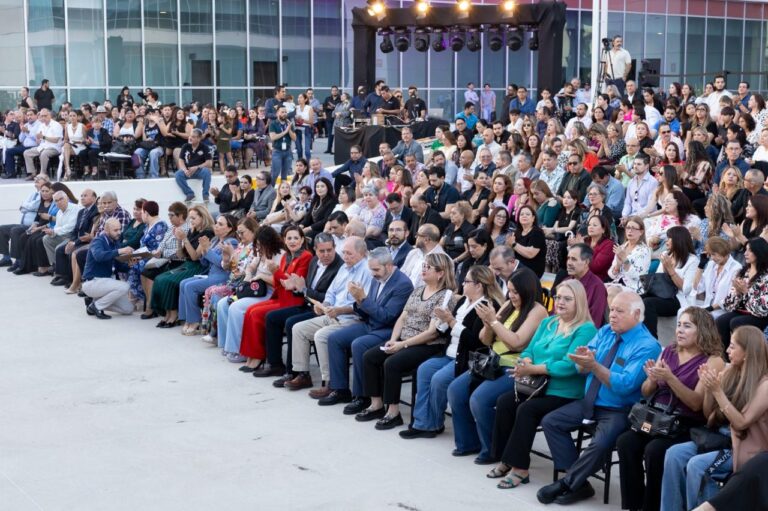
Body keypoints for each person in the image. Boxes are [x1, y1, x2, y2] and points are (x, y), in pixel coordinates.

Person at [537, 291, 662, 506]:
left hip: (619, 409)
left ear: (637, 314)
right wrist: (583, 362)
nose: (612, 315)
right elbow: (581, 368)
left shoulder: (647, 345)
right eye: (611, 309)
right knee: (551, 421)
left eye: (619, 311)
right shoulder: (605, 331)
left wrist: (593, 365)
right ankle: (579, 482)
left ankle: (568, 483)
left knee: (601, 442)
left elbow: (624, 385)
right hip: (590, 401)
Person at [488, 280, 597, 488]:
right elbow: (529, 349)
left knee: (527, 410)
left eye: (567, 299)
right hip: (535, 386)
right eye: (558, 298)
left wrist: (534, 369)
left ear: (579, 301)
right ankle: (506, 458)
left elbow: (569, 365)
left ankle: (519, 468)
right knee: (504, 402)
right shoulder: (549, 322)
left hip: (563, 392)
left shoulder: (586, 329)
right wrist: (526, 361)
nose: (560, 302)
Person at [616, 306, 725, 511]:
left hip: (684, 423)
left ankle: (653, 506)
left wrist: (670, 379)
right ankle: (633, 505)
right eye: (679, 325)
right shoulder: (668, 351)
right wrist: (652, 380)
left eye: (687, 326)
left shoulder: (713, 361)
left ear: (702, 330)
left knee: (655, 450)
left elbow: (697, 404)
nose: (679, 330)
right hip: (655, 418)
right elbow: (646, 392)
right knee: (626, 442)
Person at [661, 325, 768, 510]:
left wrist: (718, 392)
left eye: (733, 346)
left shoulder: (764, 385)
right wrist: (710, 390)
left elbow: (742, 423)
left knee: (698, 466)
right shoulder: (730, 372)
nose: (727, 350)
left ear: (748, 353)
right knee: (674, 454)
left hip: (744, 448)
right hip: (720, 438)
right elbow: (708, 415)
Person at [447, 267, 549, 463]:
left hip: (514, 368)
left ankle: (495, 449)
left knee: (479, 399)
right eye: (509, 290)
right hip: (491, 363)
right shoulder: (508, 304)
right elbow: (485, 340)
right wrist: (487, 323)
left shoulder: (538, 310)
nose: (511, 295)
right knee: (455, 390)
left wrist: (493, 322)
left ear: (528, 290)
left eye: (516, 291)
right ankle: (469, 442)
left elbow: (517, 342)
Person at [400, 266, 504, 439]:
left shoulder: (486, 307)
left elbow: (476, 342)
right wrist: (442, 320)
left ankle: (432, 422)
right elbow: (448, 328)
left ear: (478, 285)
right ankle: (423, 422)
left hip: (467, 358)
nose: (463, 284)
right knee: (424, 369)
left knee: (439, 379)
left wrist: (451, 321)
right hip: (449, 352)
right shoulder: (464, 301)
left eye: (467, 281)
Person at [356, 252, 458, 430]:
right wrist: (393, 340)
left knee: (392, 363)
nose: (423, 269)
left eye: (428, 267)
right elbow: (403, 317)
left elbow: (432, 333)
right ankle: (376, 404)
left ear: (440, 273)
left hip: (427, 345)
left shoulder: (445, 296)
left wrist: (401, 345)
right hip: (403, 339)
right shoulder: (418, 290)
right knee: (370, 356)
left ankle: (393, 412)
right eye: (423, 266)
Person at [319, 248, 414, 407]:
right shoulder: (378, 278)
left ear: (389, 266)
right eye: (371, 269)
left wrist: (362, 298)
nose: (373, 273)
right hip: (371, 324)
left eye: (376, 269)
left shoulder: (403, 284)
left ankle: (362, 396)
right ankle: (340, 389)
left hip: (389, 330)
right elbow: (367, 309)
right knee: (334, 338)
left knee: (359, 344)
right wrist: (358, 300)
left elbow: (387, 316)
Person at [285, 237, 372, 394]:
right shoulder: (344, 268)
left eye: (349, 254)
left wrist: (339, 310)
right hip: (332, 314)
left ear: (361, 253)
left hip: (352, 319)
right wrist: (324, 305)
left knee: (321, 335)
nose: (345, 257)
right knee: (298, 328)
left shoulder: (367, 271)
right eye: (343, 252)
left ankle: (330, 381)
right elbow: (331, 292)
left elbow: (363, 304)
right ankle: (303, 373)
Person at [237, 224, 313, 370]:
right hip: (281, 297)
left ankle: (259, 356)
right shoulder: (286, 256)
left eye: (296, 238)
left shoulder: (306, 256)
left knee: (256, 314)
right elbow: (281, 282)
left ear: (302, 240)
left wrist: (275, 271)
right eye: (289, 238)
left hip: (294, 300)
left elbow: (292, 283)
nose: (292, 241)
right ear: (284, 240)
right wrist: (277, 277)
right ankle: (251, 355)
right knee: (250, 310)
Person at [217, 225, 284, 363]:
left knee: (236, 307)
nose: (258, 248)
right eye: (257, 245)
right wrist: (248, 275)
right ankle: (227, 345)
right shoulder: (261, 253)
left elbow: (280, 282)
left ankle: (238, 350)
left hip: (270, 292)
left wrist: (262, 277)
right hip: (256, 288)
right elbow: (250, 267)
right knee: (223, 303)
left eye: (261, 245)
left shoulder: (280, 255)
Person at [150, 205, 215, 328]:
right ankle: (167, 314)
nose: (191, 221)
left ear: (203, 217)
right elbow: (181, 255)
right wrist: (179, 240)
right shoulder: (192, 230)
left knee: (168, 281)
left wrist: (184, 239)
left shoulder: (207, 233)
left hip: (198, 267)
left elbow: (195, 256)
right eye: (190, 218)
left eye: (194, 218)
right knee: (159, 278)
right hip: (187, 264)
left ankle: (174, 315)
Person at [177, 215, 239, 335]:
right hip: (211, 274)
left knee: (190, 286)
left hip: (222, 276)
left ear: (229, 229)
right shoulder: (215, 240)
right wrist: (204, 251)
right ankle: (187, 320)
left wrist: (207, 250)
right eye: (216, 223)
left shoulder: (232, 242)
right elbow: (205, 262)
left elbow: (223, 264)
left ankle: (194, 321)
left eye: (221, 224)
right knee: (183, 283)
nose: (216, 226)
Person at [642, 226, 699, 338]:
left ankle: (651, 340)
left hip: (678, 299)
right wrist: (664, 269)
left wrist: (671, 271)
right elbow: (659, 279)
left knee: (648, 304)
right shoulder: (666, 255)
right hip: (663, 293)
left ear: (678, 240)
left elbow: (686, 289)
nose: (666, 241)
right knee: (638, 298)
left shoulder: (692, 260)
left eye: (669, 238)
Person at [716, 237, 768, 349]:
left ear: (759, 252)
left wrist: (746, 292)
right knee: (721, 321)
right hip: (741, 311)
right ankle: (726, 357)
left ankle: (743, 357)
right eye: (745, 250)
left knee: (736, 322)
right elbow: (729, 304)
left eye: (750, 250)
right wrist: (738, 293)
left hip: (759, 316)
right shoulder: (743, 272)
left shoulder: (766, 276)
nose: (745, 253)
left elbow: (762, 309)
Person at [80, 218, 135, 319]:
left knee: (128, 309)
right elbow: (99, 256)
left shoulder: (116, 242)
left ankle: (95, 302)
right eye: (115, 230)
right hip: (93, 282)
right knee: (124, 287)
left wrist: (130, 265)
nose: (119, 232)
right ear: (106, 230)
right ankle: (97, 306)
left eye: (120, 229)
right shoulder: (98, 241)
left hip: (106, 283)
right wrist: (120, 251)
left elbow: (118, 266)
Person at [693, 237, 742, 319]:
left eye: (714, 254)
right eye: (710, 254)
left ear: (724, 252)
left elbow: (731, 297)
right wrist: (701, 266)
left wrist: (709, 309)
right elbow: (697, 288)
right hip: (707, 308)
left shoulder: (736, 268)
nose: (712, 258)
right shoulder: (711, 264)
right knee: (683, 312)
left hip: (723, 312)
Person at [563, 244, 608, 328]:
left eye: (574, 259)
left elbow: (593, 323)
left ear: (586, 262)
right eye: (568, 258)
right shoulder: (566, 281)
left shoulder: (597, 287)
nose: (569, 263)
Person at [607, 216, 652, 296]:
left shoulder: (644, 250)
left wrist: (625, 260)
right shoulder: (621, 247)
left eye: (634, 228)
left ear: (641, 232)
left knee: (611, 293)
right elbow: (611, 275)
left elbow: (638, 276)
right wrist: (617, 265)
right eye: (628, 228)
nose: (630, 231)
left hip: (633, 287)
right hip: (617, 283)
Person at [508, 205, 547, 278]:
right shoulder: (517, 232)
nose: (524, 216)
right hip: (517, 267)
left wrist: (514, 244)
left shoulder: (537, 232)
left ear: (533, 218)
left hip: (532, 270)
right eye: (521, 214)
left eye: (527, 214)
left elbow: (530, 254)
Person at [22, 109, 62, 178]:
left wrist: (43, 137)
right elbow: (39, 141)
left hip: (54, 147)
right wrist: (38, 139)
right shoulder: (41, 125)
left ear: (49, 115)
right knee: (26, 152)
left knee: (44, 154)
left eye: (45, 116)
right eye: (42, 116)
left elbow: (56, 140)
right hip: (43, 146)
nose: (43, 118)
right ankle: (33, 173)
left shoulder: (56, 125)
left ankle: (42, 173)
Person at [175, 129, 212, 203]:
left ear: (199, 138)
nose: (190, 138)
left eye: (193, 137)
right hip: (188, 171)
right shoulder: (185, 146)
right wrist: (185, 170)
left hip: (199, 171)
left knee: (207, 172)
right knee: (178, 174)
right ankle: (190, 194)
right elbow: (181, 160)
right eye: (190, 136)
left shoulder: (204, 147)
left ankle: (205, 195)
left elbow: (209, 163)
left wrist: (197, 167)